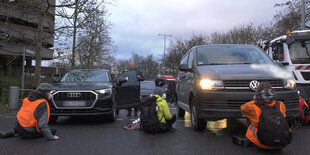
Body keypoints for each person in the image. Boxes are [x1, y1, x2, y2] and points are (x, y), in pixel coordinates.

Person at [232, 82, 291, 149]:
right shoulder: (281, 104)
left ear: (258, 92)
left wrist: (256, 100)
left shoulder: (251, 106)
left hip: (263, 143)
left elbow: (242, 109)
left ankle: (247, 141)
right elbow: (284, 116)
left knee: (252, 120)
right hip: (282, 143)